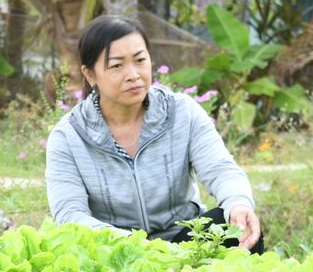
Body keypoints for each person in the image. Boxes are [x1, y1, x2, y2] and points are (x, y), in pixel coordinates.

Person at [45, 14, 264, 251]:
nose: (133, 75)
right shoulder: (68, 136)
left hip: (186, 241)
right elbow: (70, 214)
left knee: (239, 228)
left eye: (140, 60)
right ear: (90, 74)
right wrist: (134, 244)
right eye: (117, 65)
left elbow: (221, 170)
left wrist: (238, 203)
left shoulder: (182, 112)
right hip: (118, 250)